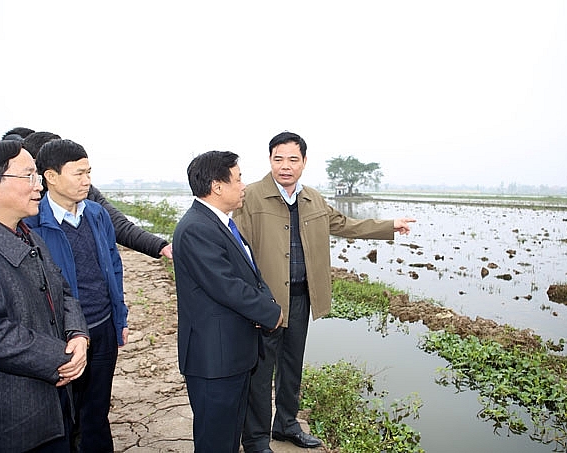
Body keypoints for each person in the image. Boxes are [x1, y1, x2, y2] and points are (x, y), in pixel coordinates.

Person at [234, 131, 416, 452]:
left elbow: (347, 224)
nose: (285, 166)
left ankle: (287, 426)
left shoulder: (312, 199)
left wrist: (389, 225)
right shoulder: (250, 197)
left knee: (292, 365)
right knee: (260, 372)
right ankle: (257, 439)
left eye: (293, 159)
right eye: (279, 159)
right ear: (269, 161)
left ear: (304, 162)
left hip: (301, 297)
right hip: (265, 301)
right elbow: (235, 247)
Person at [0, 140, 89, 452]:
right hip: (12, 416)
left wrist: (77, 335)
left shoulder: (27, 235)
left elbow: (61, 291)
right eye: (29, 176)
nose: (39, 187)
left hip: (55, 403)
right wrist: (62, 358)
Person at [173, 150, 283, 453]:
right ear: (217, 186)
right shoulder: (197, 227)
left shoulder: (220, 223)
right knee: (215, 441)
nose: (243, 185)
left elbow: (248, 275)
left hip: (232, 353)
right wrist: (271, 311)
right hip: (214, 358)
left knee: (228, 436)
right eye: (238, 179)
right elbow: (227, 286)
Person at [25, 139, 128, 452]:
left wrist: (119, 315)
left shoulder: (96, 214)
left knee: (97, 411)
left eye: (89, 173)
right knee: (63, 415)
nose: (87, 181)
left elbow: (113, 264)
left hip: (103, 326)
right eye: (78, 174)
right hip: (63, 335)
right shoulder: (31, 223)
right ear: (51, 177)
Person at [20, 129, 174, 259]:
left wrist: (159, 246)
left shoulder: (86, 196)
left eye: (87, 173)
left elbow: (119, 226)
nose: (85, 180)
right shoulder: (24, 206)